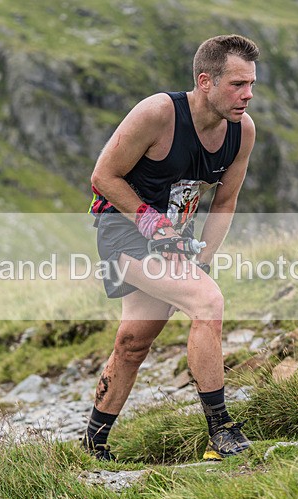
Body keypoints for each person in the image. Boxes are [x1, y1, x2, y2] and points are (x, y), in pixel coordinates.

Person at [83, 34, 259, 461]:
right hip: (124, 230)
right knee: (207, 302)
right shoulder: (159, 113)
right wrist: (151, 223)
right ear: (205, 81)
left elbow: (226, 200)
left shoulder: (242, 132)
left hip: (175, 239)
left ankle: (92, 445)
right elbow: (103, 176)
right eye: (237, 84)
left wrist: (203, 257)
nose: (247, 95)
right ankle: (222, 431)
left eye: (252, 84)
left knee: (132, 342)